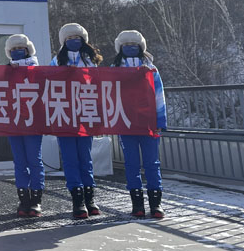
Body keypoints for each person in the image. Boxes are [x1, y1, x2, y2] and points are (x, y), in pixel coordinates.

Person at [111, 30, 167, 219]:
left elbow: (159, 95)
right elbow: (109, 95)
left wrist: (160, 120)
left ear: (141, 46)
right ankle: (137, 204)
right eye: (126, 45)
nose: (130, 48)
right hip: (125, 122)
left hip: (148, 122)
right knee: (131, 163)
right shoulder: (114, 69)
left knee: (152, 163)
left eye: (134, 44)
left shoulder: (151, 68)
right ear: (120, 47)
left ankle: (156, 203)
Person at [50, 23, 103, 219]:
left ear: (84, 40)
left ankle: (90, 197)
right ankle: (77, 199)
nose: (74, 41)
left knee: (85, 158)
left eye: (77, 38)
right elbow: (48, 83)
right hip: (64, 114)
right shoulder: (56, 61)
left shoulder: (90, 61)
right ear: (64, 41)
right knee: (70, 158)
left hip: (85, 115)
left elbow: (99, 86)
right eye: (70, 38)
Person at [5, 33, 45, 217]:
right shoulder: (7, 70)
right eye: (13, 49)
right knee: (19, 162)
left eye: (20, 48)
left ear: (28, 50)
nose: (17, 52)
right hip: (14, 122)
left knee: (34, 160)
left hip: (33, 122)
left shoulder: (36, 68)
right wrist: (8, 71)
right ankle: (23, 200)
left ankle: (36, 200)